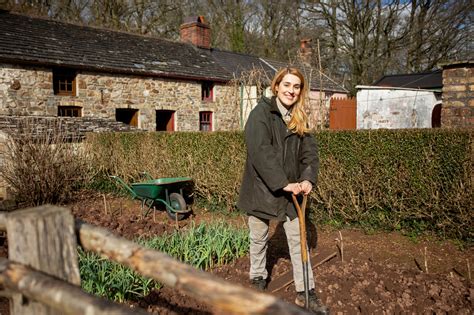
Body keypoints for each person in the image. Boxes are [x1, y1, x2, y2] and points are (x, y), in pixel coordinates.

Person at [237, 67, 329, 314]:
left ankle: (306, 293)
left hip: (291, 192)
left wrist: (308, 178)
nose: (291, 90)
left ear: (300, 91)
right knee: (258, 238)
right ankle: (257, 280)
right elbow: (260, 152)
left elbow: (310, 153)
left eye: (296, 86)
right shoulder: (261, 114)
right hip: (262, 188)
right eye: (287, 85)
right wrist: (282, 182)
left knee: (299, 241)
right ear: (276, 86)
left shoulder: (299, 117)